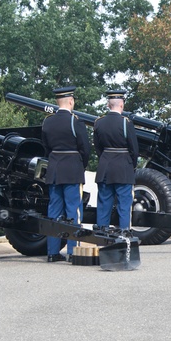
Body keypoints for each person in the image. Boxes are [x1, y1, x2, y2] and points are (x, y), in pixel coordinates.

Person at [41, 86, 91, 262]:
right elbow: (85, 148)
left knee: (54, 211)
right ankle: (73, 251)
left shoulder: (48, 121)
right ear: (71, 101)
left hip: (54, 169)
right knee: (73, 211)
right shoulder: (75, 121)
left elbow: (46, 147)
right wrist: (80, 165)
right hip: (72, 170)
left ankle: (52, 253)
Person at [93, 88, 138, 232]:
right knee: (124, 206)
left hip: (105, 167)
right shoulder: (126, 123)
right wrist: (132, 166)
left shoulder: (99, 123)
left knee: (103, 205)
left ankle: (102, 236)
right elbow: (134, 149)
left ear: (108, 105)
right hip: (123, 168)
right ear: (122, 104)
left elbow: (98, 147)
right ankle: (124, 237)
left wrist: (106, 159)